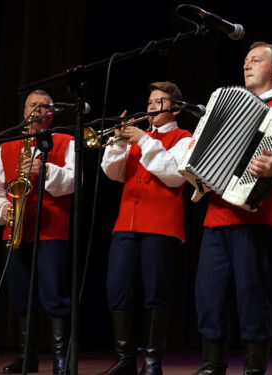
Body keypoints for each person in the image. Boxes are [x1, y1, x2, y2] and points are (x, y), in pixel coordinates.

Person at [193, 42, 272, 375]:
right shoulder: (228, 105)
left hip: (256, 214)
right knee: (209, 292)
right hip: (216, 213)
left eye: (256, 60)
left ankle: (254, 369)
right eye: (245, 61)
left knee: (252, 294)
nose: (247, 66)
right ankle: (212, 365)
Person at [98, 81, 192, 375]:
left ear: (174, 107)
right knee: (117, 287)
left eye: (158, 102)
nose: (150, 107)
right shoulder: (140, 138)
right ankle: (125, 359)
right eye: (149, 102)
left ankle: (152, 362)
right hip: (126, 222)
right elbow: (113, 173)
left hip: (161, 225)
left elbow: (174, 175)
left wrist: (143, 140)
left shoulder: (184, 137)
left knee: (156, 290)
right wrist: (118, 142)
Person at [0, 89, 75, 375]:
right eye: (32, 106)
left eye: (44, 106)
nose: (37, 110)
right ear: (24, 112)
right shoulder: (6, 147)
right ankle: (28, 356)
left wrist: (44, 170)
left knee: (54, 296)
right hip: (16, 230)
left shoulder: (66, 141)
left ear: (53, 112)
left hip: (52, 230)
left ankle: (61, 359)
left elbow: (73, 181)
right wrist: (4, 212)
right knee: (21, 294)